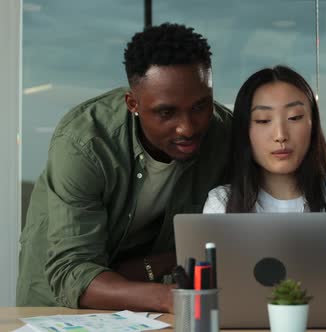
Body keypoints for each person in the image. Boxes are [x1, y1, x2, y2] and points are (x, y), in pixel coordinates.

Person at [17, 23, 232, 313]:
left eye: (200, 106)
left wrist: (163, 270)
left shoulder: (225, 135)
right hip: (61, 308)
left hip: (156, 310)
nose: (187, 127)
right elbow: (72, 272)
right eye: (166, 112)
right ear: (133, 103)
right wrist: (169, 297)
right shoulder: (86, 143)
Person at [203, 65, 326, 235]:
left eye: (294, 117)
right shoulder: (221, 204)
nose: (281, 135)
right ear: (244, 131)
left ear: (313, 124)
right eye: (263, 120)